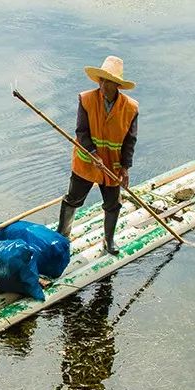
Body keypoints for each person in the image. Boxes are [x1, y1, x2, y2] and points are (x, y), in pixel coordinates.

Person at [56, 56, 139, 255]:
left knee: (113, 204)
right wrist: (93, 153)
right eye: (100, 80)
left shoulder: (130, 108)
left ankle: (108, 240)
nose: (102, 84)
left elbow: (130, 140)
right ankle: (62, 236)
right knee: (73, 199)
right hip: (86, 160)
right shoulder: (86, 99)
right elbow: (81, 131)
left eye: (107, 81)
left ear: (116, 84)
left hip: (112, 164)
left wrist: (125, 167)